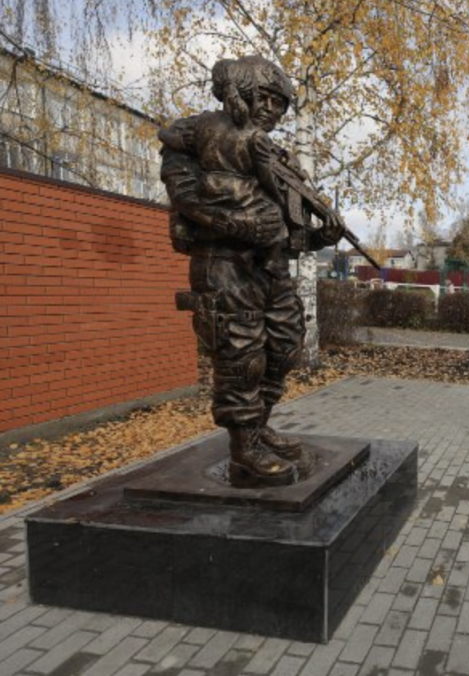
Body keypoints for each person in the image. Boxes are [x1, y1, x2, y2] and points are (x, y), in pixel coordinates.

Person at [159, 56, 345, 487]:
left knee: (284, 344)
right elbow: (186, 198)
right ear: (239, 92)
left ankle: (258, 429)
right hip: (223, 265)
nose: (272, 110)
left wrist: (320, 237)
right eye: (264, 98)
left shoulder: (274, 154)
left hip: (270, 267)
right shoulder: (196, 134)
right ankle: (243, 449)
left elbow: (288, 228)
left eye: (280, 104)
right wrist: (237, 224)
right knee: (241, 355)